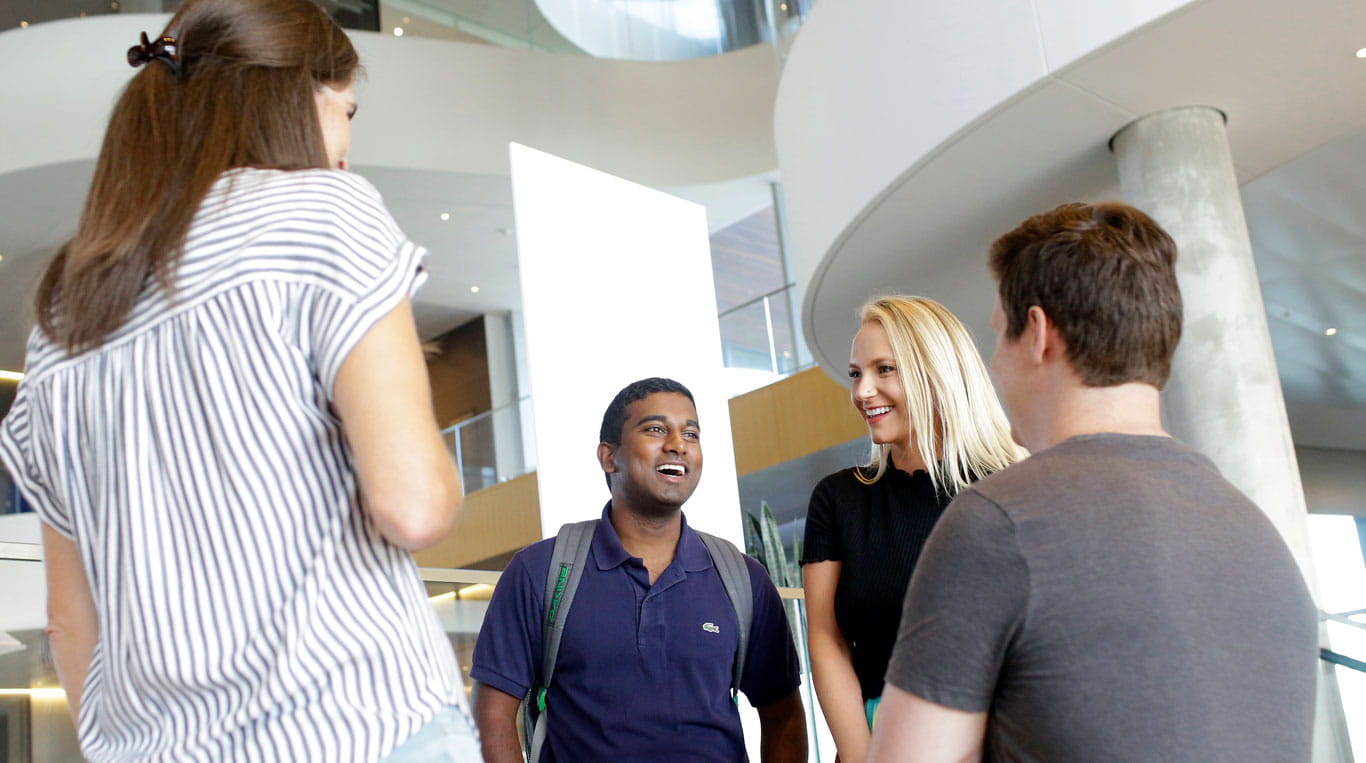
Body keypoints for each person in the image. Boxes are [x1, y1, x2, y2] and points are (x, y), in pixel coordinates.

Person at [0, 1, 477, 759]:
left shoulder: (63, 322)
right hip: (359, 723)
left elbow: (68, 620)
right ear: (296, 95)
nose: (347, 144)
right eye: (345, 109)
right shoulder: (322, 211)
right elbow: (414, 508)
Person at [869, 202, 1318, 762]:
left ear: (1037, 334)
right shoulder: (1257, 535)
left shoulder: (1000, 523)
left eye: (999, 336)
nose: (996, 365)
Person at [470, 377, 808, 762]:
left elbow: (783, 714)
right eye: (656, 429)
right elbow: (493, 714)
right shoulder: (540, 571)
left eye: (691, 434)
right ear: (608, 456)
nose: (678, 445)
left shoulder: (743, 579)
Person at [801, 296, 1024, 762]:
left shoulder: (1016, 487)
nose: (863, 392)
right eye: (856, 374)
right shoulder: (839, 498)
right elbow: (826, 638)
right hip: (877, 740)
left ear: (937, 371)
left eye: (885, 369)